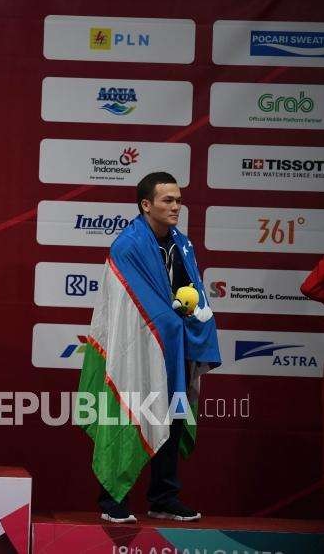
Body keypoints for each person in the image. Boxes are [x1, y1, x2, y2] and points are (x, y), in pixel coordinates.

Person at [77, 172, 220, 523]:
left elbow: (189, 295)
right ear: (146, 205)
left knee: (171, 417)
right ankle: (113, 498)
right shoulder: (128, 245)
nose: (176, 206)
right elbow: (132, 304)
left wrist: (193, 313)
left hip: (172, 350)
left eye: (178, 200)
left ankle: (163, 497)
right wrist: (172, 317)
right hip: (134, 350)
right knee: (127, 415)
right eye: (167, 200)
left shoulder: (182, 245)